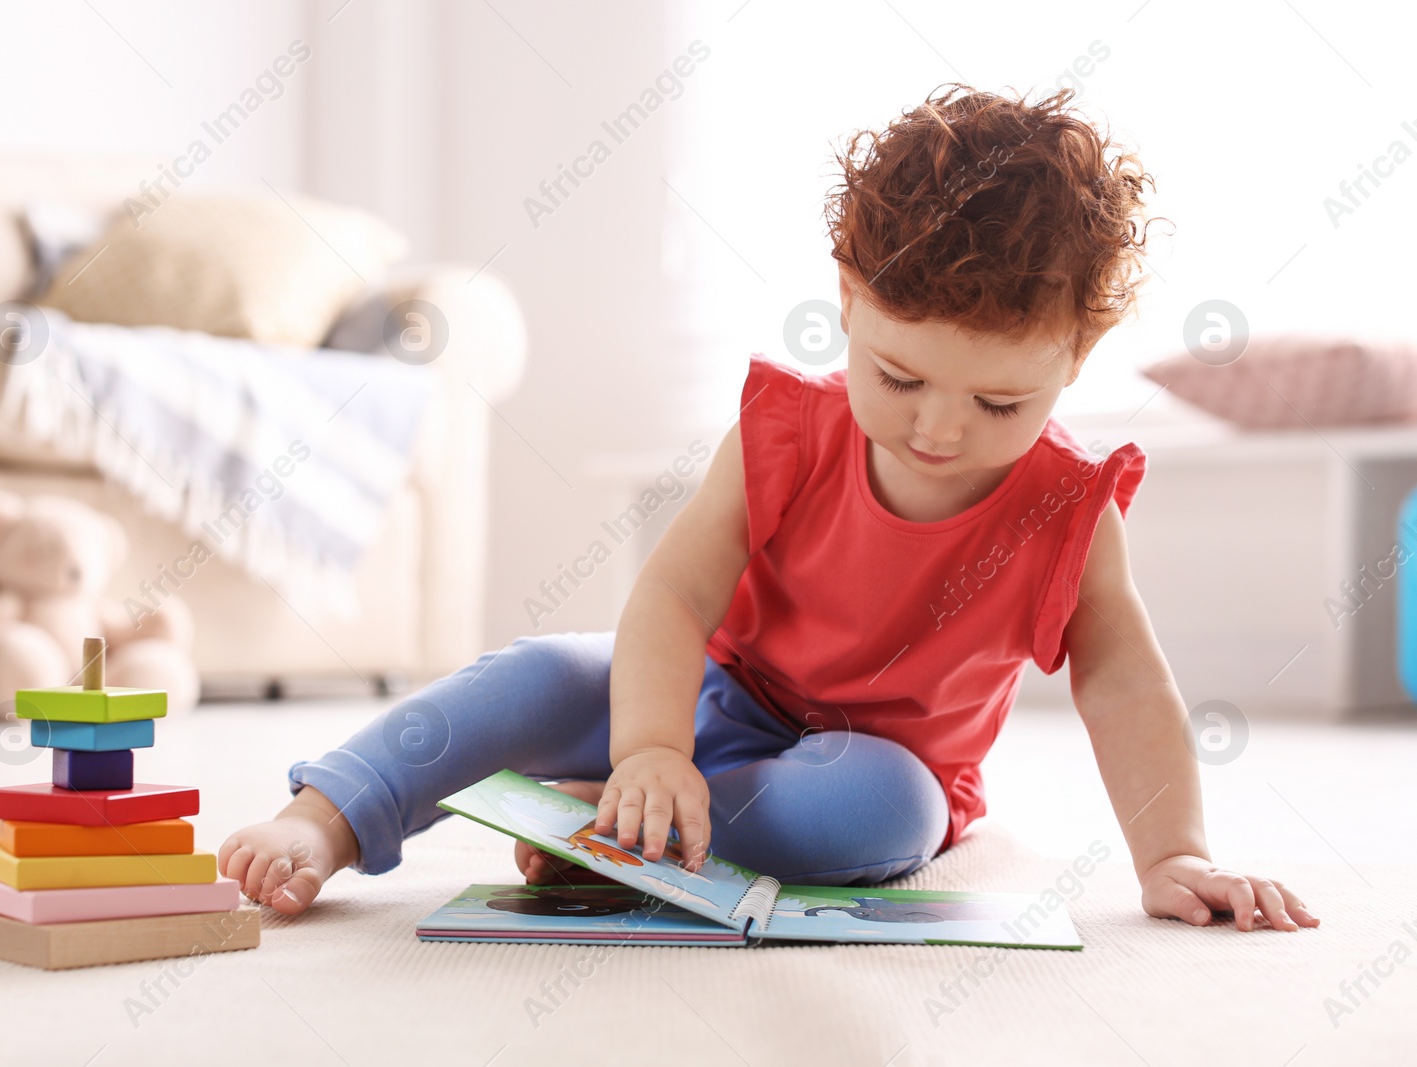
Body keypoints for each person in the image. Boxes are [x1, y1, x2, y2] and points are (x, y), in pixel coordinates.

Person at [220, 83, 1317, 934]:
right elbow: (673, 592)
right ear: (845, 294)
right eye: (898, 376)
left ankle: (614, 834)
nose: (938, 428)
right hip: (710, 696)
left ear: (1078, 356)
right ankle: (333, 814)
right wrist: (652, 740)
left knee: (871, 815)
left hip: (880, 764)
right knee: (535, 672)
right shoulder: (789, 429)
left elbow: (1124, 679)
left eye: (997, 400)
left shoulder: (1069, 508)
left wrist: (1173, 853)